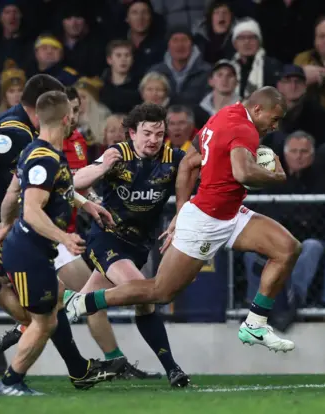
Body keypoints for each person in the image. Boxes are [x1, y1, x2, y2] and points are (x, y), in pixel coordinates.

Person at [66, 87, 301, 353]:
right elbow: (243, 173)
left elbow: (189, 162)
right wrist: (277, 176)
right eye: (274, 118)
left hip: (231, 213)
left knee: (287, 247)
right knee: (159, 292)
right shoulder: (245, 130)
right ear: (258, 109)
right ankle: (83, 302)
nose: (275, 125)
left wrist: (179, 211)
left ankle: (255, 323)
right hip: (206, 220)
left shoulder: (224, 114)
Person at [0, 89, 162, 381]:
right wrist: (63, 237)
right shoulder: (45, 157)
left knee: (62, 306)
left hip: (36, 246)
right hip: (34, 248)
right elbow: (32, 210)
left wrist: (86, 204)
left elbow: (12, 195)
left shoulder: (40, 152)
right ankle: (11, 380)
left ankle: (83, 370)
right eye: (72, 114)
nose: (76, 118)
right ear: (65, 117)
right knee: (48, 320)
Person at [63, 102, 191, 387]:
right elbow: (74, 181)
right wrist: (102, 168)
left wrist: (180, 218)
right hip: (107, 239)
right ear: (132, 133)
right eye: (147, 133)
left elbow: (198, 188)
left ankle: (28, 333)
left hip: (138, 248)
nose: (153, 140)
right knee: (145, 295)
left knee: (69, 310)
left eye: (159, 134)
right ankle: (174, 370)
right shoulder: (117, 154)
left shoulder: (175, 160)